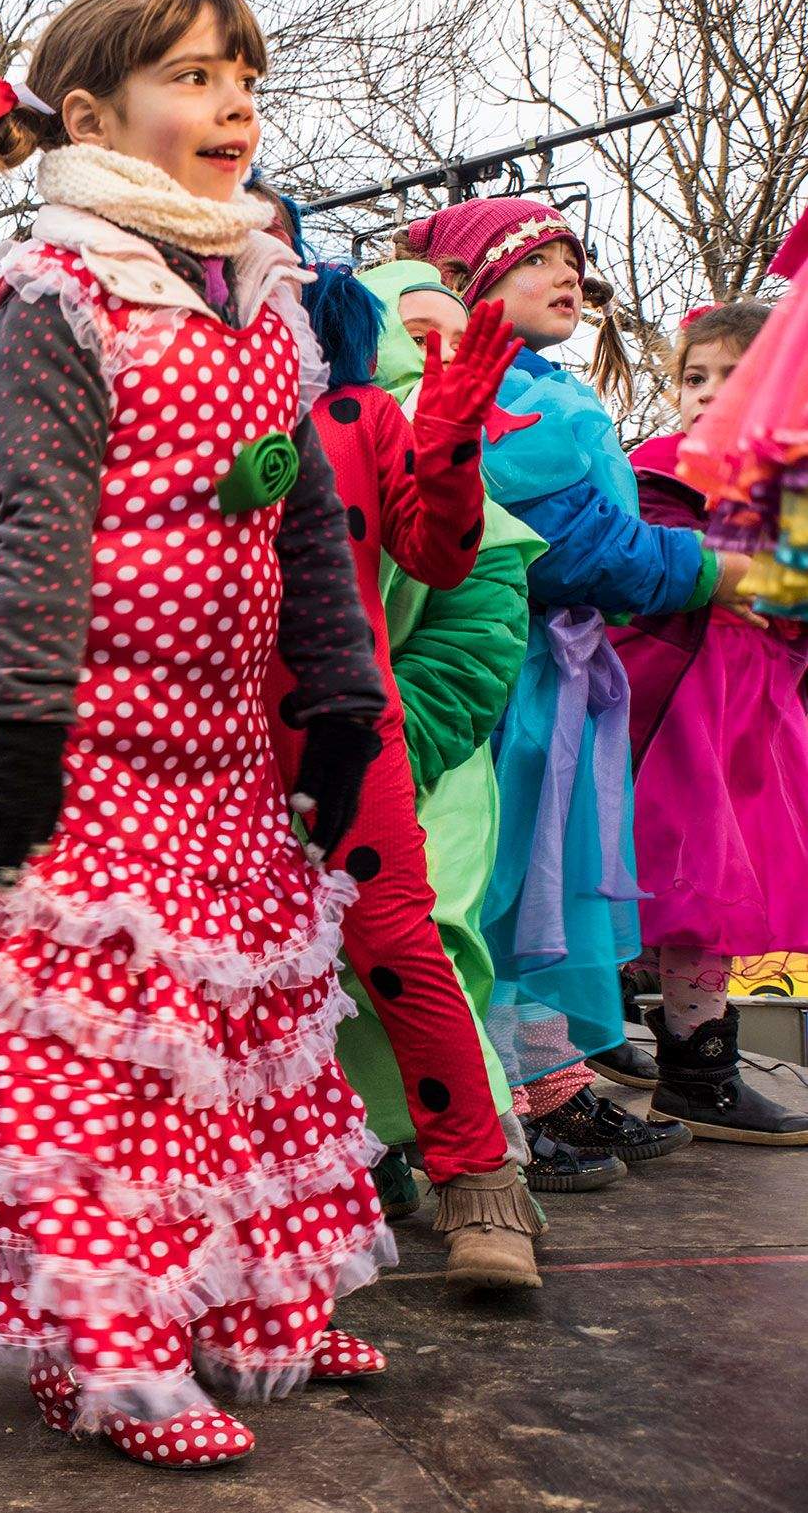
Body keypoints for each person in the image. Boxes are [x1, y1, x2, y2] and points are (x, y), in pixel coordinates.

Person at [0, 0, 393, 1468]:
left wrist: (338, 693)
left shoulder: (259, 289)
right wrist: (27, 736)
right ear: (89, 114)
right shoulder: (50, 292)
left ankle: (255, 1301)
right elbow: (40, 520)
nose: (230, 102)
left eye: (240, 75)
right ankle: (110, 1348)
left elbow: (306, 515)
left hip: (217, 744)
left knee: (246, 1028)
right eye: (190, 76)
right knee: (110, 1049)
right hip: (93, 729)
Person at [393, 198, 739, 1179]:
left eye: (571, 260)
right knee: (504, 888)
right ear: (470, 286)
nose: (565, 275)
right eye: (535, 258)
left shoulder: (538, 385)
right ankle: (499, 1102)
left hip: (561, 677)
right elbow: (575, 549)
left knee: (544, 891)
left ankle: (552, 1087)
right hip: (509, 680)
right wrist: (721, 566)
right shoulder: (499, 398)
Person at [247, 204, 551, 1289]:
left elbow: (440, 554)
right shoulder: (144, 404)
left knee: (398, 945)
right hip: (201, 737)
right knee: (217, 972)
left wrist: (452, 432)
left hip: (345, 728)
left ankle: (479, 1178)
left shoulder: (355, 410)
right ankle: (254, 1190)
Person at [610, 301, 808, 1143]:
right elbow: (631, 568)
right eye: (694, 378)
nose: (708, 395)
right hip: (660, 713)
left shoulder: (789, 484)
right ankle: (558, 1050)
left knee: (707, 895)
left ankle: (698, 1066)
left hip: (743, 724)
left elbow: (794, 595)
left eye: (736, 378)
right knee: (618, 876)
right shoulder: (651, 467)